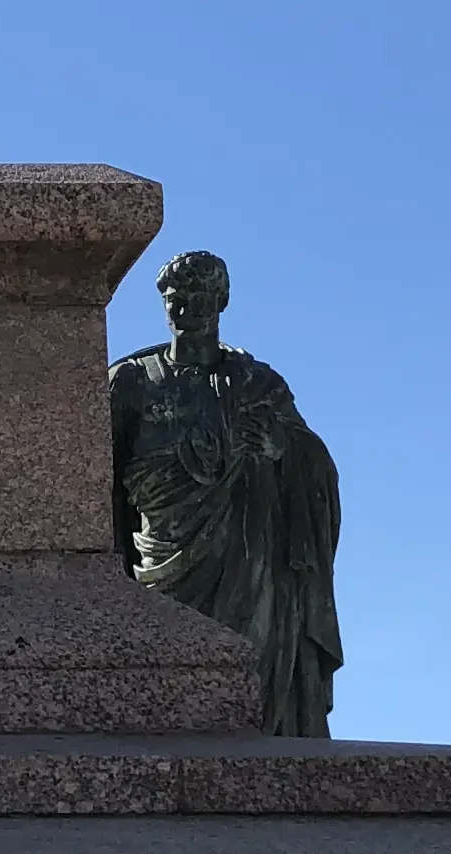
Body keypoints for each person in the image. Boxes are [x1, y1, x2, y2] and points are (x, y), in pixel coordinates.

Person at [111, 250, 344, 737]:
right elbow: (98, 484)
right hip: (162, 562)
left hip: (249, 563)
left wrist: (280, 448)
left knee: (250, 682)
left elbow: (315, 467)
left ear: (223, 301)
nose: (188, 309)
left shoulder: (258, 383)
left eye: (201, 298)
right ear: (163, 305)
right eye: (178, 299)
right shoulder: (131, 382)